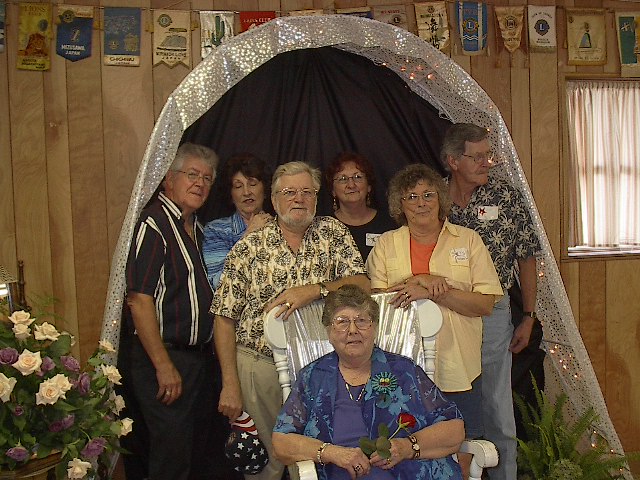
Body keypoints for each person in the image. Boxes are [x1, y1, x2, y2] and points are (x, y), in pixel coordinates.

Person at [212, 161, 371, 480]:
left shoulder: (333, 232)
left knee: (317, 458)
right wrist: (230, 384)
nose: (299, 199)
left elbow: (361, 284)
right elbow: (224, 317)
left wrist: (315, 290)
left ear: (316, 197)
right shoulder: (249, 246)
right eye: (289, 192)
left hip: (322, 367)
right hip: (260, 367)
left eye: (306, 192)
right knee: (265, 465)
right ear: (274, 200)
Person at [365, 163, 503, 478]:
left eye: (428, 195)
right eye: (411, 197)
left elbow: (485, 304)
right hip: (401, 370)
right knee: (402, 449)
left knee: (463, 449)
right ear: (400, 205)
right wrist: (420, 281)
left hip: (458, 367)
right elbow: (376, 303)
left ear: (440, 198)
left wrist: (436, 291)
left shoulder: (468, 241)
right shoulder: (387, 244)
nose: (421, 203)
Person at [117, 143, 238, 480]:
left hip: (197, 361)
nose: (200, 183)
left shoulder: (196, 228)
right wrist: (163, 365)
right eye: (192, 174)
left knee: (194, 454)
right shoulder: (154, 222)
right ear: (169, 179)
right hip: (165, 358)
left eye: (207, 178)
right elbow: (139, 300)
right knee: (172, 458)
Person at [272, 284, 465, 480]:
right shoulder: (313, 377)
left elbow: (454, 429)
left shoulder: (404, 371)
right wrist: (333, 453)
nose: (353, 330)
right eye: (342, 322)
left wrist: (407, 447)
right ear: (329, 332)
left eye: (362, 321)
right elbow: (281, 441)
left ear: (374, 328)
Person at [442, 123, 541, 480]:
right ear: (453, 161)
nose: (487, 163)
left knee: (497, 404)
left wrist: (528, 315)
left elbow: (527, 257)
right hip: (444, 312)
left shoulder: (506, 197)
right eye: (478, 156)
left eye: (488, 155)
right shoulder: (432, 198)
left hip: (493, 311)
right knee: (445, 399)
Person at [203, 153, 273, 289]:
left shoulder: (282, 227)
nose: (246, 192)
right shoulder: (216, 230)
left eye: (252, 184)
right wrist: (248, 237)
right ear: (231, 194)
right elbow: (218, 283)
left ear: (265, 190)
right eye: (238, 186)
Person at [325, 152, 396, 260]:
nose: (351, 185)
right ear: (333, 190)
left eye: (357, 177)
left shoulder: (390, 225)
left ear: (369, 186)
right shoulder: (324, 228)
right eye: (343, 179)